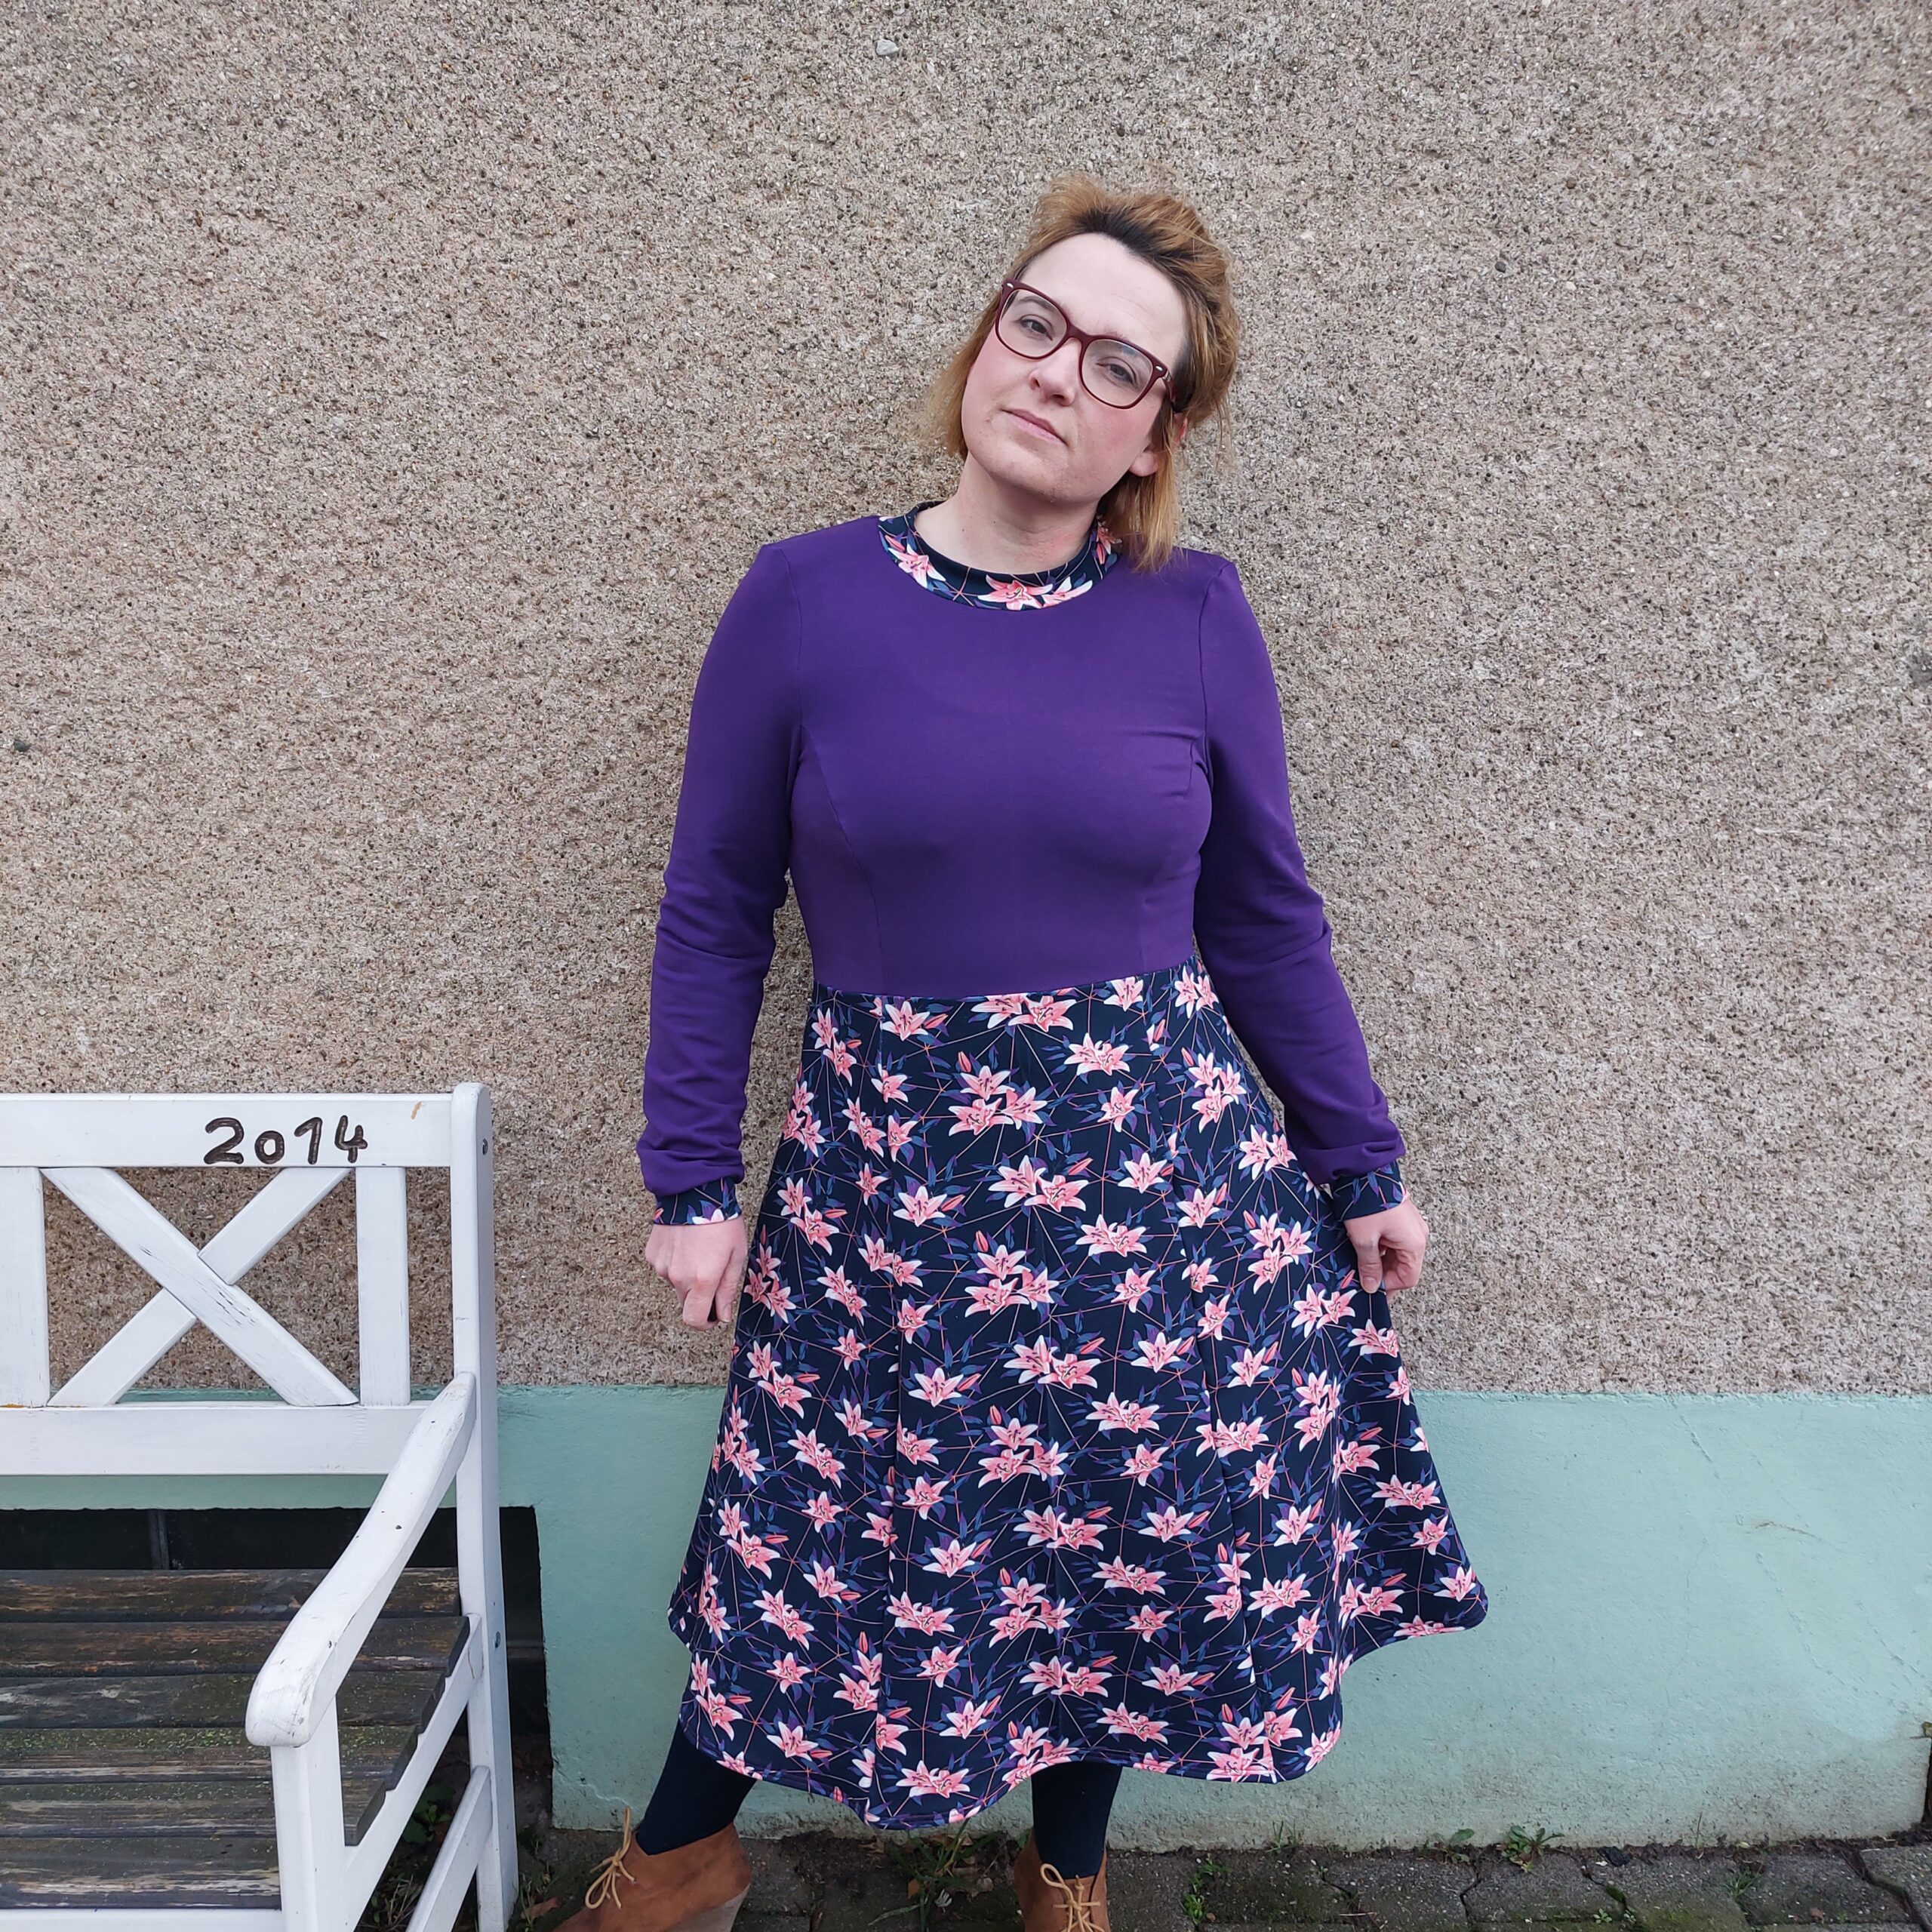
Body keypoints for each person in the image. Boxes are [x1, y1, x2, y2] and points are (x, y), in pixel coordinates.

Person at [568, 172, 1491, 1932]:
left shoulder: (1193, 614)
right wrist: (688, 1177)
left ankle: (1064, 1875)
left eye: (1117, 364)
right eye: (1037, 322)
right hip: (892, 1191)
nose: (1059, 371)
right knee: (814, 1542)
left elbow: (1262, 917)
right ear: (987, 337)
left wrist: (1357, 1158)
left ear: (1156, 432)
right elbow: (712, 908)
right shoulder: (802, 598)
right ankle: (681, 1855)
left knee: (1106, 1546)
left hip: (1159, 1194)